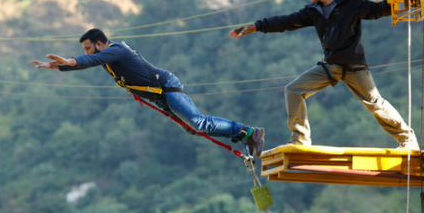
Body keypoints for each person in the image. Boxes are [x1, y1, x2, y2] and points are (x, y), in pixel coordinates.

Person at [229, 0, 418, 149]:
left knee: (376, 104)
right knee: (292, 91)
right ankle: (300, 139)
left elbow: (377, 10)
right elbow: (285, 21)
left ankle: (408, 140)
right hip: (330, 66)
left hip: (354, 66)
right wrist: (255, 26)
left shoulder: (350, 1)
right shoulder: (314, 11)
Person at [32, 28, 266, 156]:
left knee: (199, 123)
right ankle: (242, 136)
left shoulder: (116, 51)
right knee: (193, 130)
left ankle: (249, 132)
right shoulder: (106, 56)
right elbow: (90, 61)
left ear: (100, 44)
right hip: (161, 96)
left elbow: (90, 60)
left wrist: (70, 61)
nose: (87, 52)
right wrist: (60, 65)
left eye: (88, 48)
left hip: (166, 88)